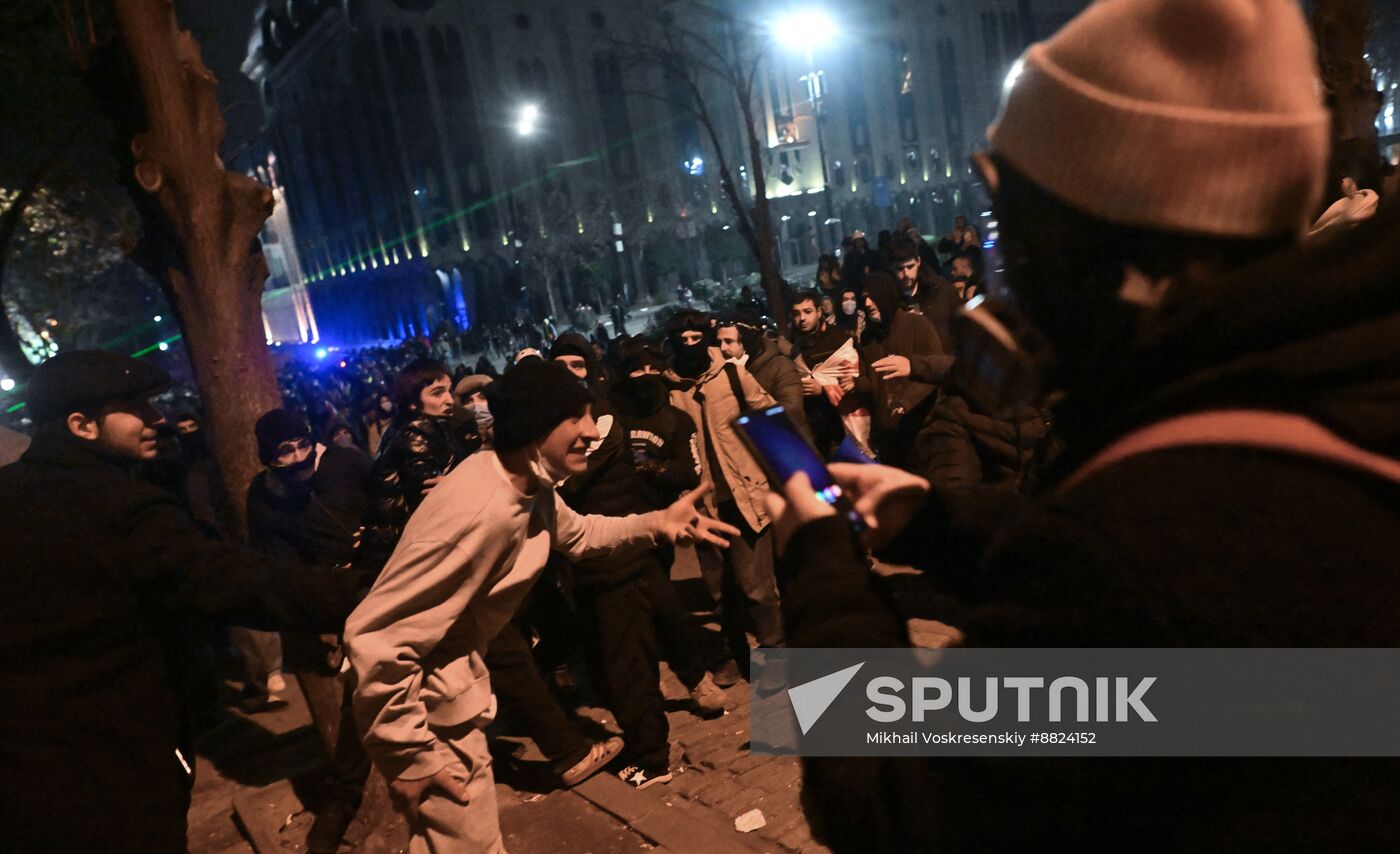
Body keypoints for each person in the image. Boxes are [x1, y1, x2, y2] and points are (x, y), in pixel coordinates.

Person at [762, 0, 1400, 848]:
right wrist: (942, 521)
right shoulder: (1329, 376)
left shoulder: (1126, 553)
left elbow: (894, 802)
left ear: (1082, 238)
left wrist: (824, 573)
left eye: (1013, 226)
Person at [344, 359, 737, 851]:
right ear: (534, 427)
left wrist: (657, 521)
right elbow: (374, 635)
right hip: (427, 717)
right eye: (576, 419)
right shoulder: (480, 511)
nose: (593, 432)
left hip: (454, 698)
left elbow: (581, 533)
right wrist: (408, 756)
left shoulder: (525, 483)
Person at [0, 351, 359, 852]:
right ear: (81, 425)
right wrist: (362, 591)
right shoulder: (121, 511)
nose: (157, 419)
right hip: (117, 767)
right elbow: (233, 582)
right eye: (135, 408)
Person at [247, 408, 377, 852]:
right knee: (361, 693)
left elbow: (389, 501)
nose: (299, 457)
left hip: (386, 578)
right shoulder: (265, 497)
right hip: (338, 603)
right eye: (285, 452)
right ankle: (343, 801)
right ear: (269, 457)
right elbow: (278, 567)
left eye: (303, 445)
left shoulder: (344, 461)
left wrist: (375, 539)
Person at [665, 312, 785, 674]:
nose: (690, 346)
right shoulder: (670, 390)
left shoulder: (732, 374)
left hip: (746, 496)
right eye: (682, 340)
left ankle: (776, 656)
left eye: (695, 338)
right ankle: (734, 655)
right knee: (720, 594)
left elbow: (769, 416)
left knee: (759, 590)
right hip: (703, 507)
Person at [855, 272, 953, 464]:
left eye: (872, 297)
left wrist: (906, 402)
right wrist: (853, 382)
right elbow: (871, 383)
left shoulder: (917, 324)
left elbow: (935, 369)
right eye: (864, 298)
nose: (867, 304)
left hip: (922, 430)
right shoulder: (867, 338)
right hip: (889, 438)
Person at [717, 309, 812, 442]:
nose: (722, 348)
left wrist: (742, 376)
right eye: (719, 342)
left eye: (728, 341)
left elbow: (791, 413)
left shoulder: (781, 366)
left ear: (747, 342)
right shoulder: (722, 371)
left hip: (786, 446)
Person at [789, 291, 854, 456]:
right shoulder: (796, 350)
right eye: (796, 314)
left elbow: (856, 381)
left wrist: (824, 389)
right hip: (816, 432)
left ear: (819, 312)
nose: (802, 318)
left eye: (807, 311)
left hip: (845, 426)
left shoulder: (840, 340)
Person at [888, 233, 958, 350]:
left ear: (918, 262)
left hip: (943, 362)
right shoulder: (887, 298)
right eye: (900, 269)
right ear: (891, 267)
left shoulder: (942, 291)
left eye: (910, 267)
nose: (906, 274)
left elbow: (959, 329)